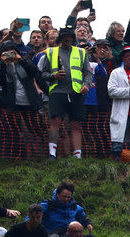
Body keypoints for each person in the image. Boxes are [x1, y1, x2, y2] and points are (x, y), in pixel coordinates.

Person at [38, 26, 93, 159]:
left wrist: (86, 85)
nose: (67, 39)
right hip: (57, 91)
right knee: (55, 121)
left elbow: (88, 73)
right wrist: (54, 76)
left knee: (75, 123)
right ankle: (52, 153)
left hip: (76, 92)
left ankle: (77, 155)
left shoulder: (81, 52)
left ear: (73, 38)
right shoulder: (50, 52)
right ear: (60, 38)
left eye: (69, 37)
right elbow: (42, 74)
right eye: (64, 37)